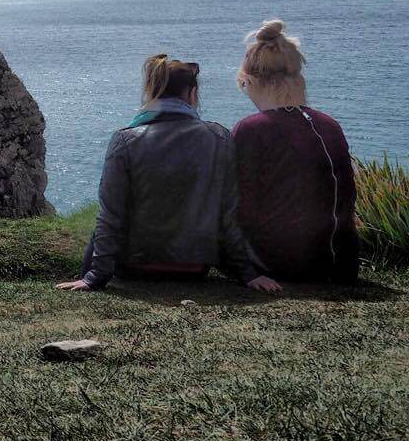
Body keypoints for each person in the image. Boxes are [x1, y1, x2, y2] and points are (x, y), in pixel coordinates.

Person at [57, 53, 281, 292]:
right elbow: (228, 216)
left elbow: (111, 216)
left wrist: (95, 277)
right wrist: (248, 274)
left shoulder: (125, 139)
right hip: (194, 268)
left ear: (152, 94)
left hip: (134, 267)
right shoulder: (219, 138)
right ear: (192, 95)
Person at [231, 20, 360, 283]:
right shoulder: (329, 124)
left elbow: (237, 206)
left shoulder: (252, 129)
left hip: (281, 266)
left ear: (250, 81)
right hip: (341, 265)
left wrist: (244, 271)